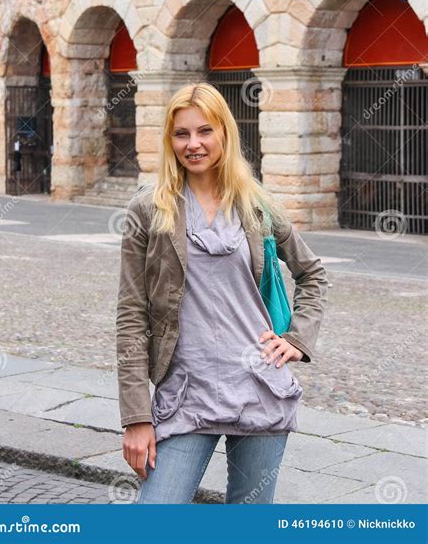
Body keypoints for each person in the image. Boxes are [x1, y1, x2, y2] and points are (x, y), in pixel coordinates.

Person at [116, 82, 328, 504]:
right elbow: (131, 314)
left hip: (260, 388)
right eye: (182, 134)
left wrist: (296, 340)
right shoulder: (148, 209)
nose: (193, 144)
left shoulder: (256, 205)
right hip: (185, 395)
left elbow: (313, 273)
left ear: (224, 134)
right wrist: (136, 417)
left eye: (204, 131)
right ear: (169, 140)